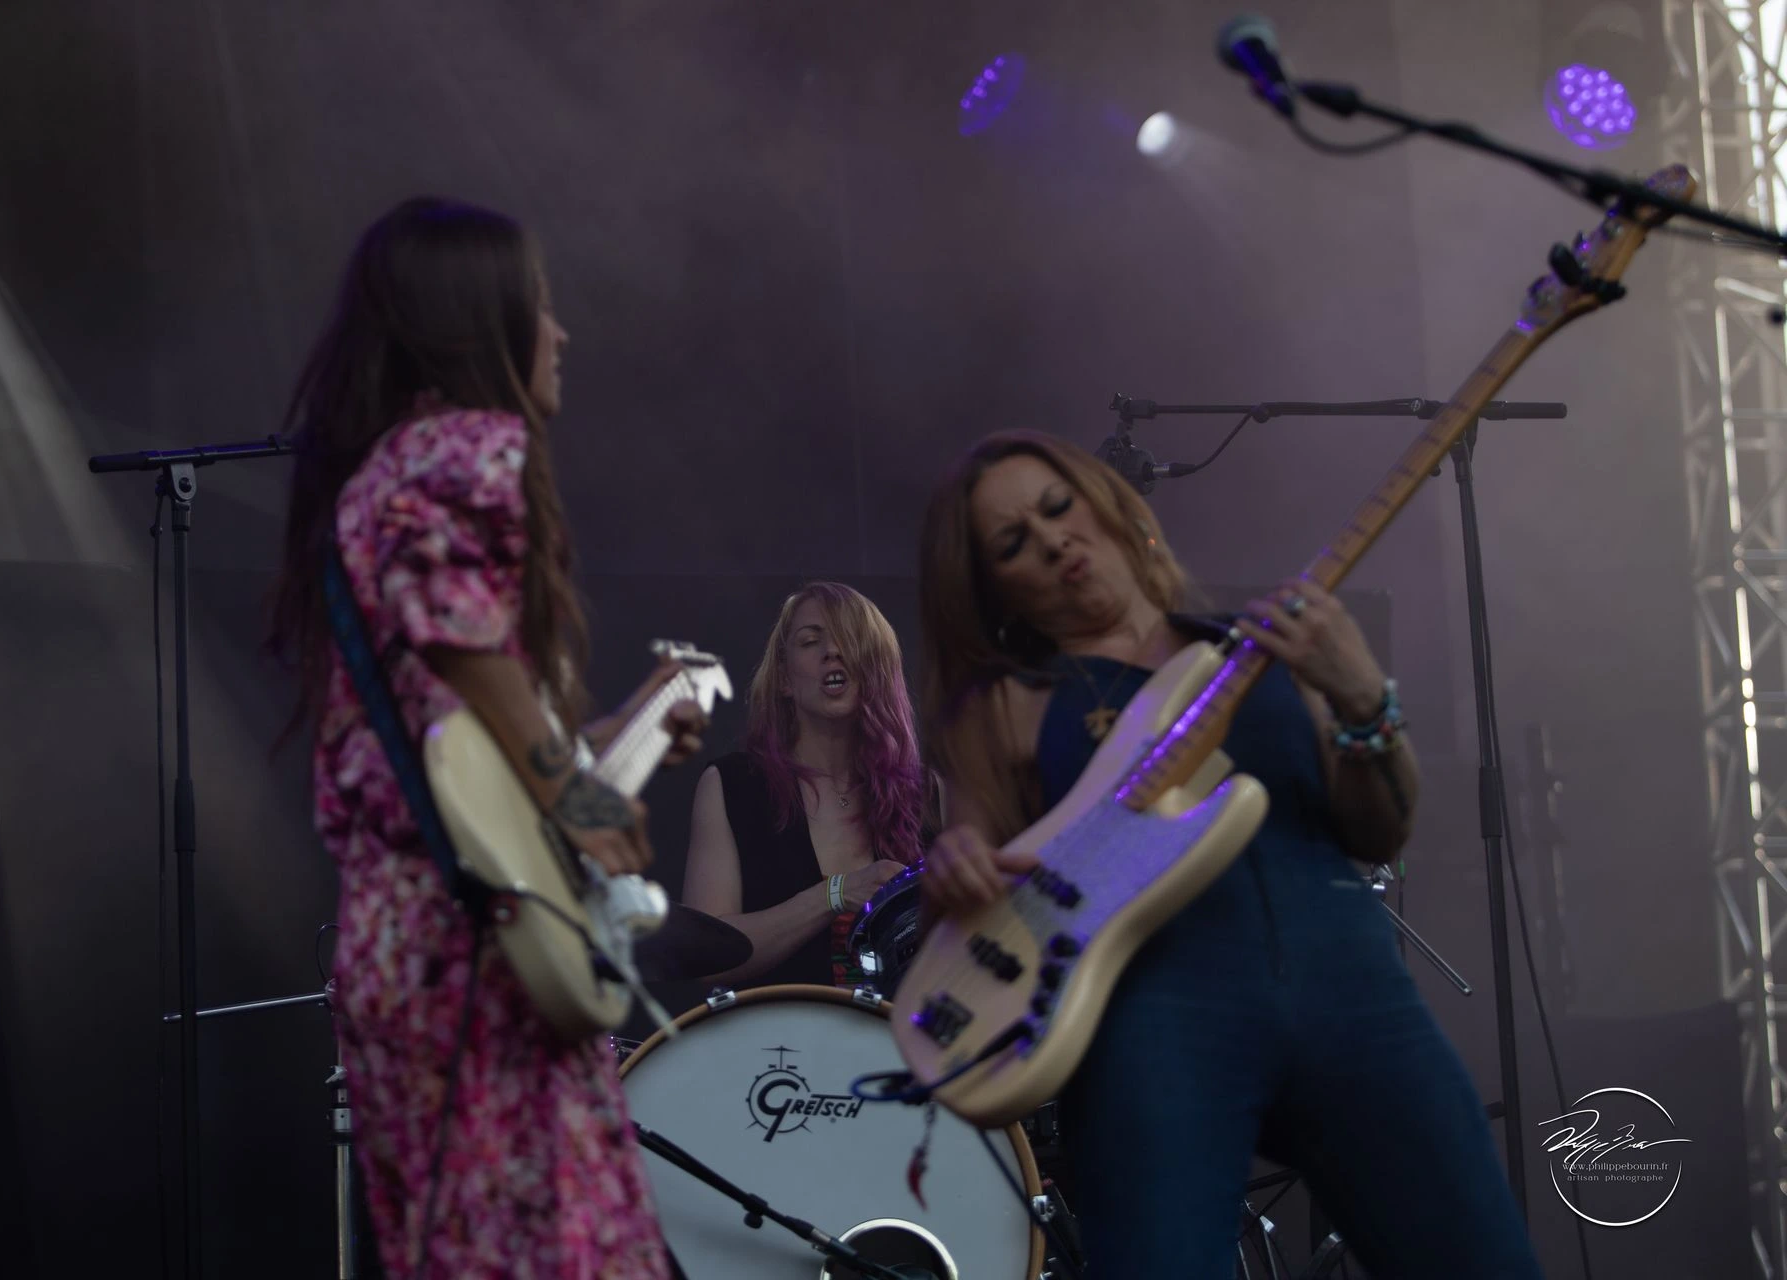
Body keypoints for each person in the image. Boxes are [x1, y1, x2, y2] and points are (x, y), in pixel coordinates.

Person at [912, 431, 1543, 1278]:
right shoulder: (1005, 709)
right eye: (1013, 543)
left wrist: (1364, 699)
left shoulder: (1261, 650)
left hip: (1352, 991)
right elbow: (973, 898)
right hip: (1153, 1026)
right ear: (994, 593)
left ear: (1109, 505)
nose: (1054, 539)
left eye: (1059, 507)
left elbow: (1379, 833)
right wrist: (955, 868)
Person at [267, 196, 704, 1280]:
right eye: (540, 307)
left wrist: (613, 738)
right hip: (472, 940)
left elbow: (454, 739)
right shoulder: (461, 445)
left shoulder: (377, 478)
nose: (561, 335)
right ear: (479, 323)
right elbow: (459, 636)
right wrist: (580, 794)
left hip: (401, 937)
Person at [681, 582, 936, 988]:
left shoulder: (928, 794)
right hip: (780, 1030)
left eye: (848, 638)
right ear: (784, 678)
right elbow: (702, 955)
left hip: (901, 1029)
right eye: (811, 641)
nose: (832, 651)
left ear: (876, 665)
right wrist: (833, 895)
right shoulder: (732, 786)